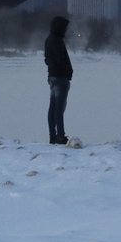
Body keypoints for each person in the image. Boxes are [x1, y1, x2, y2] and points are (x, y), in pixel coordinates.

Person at [44, 15, 74, 145]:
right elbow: (60, 60)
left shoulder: (49, 40)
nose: (66, 30)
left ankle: (53, 135)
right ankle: (60, 136)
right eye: (65, 27)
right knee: (59, 108)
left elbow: (47, 59)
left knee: (53, 107)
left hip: (52, 76)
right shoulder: (57, 40)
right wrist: (67, 71)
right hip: (60, 78)